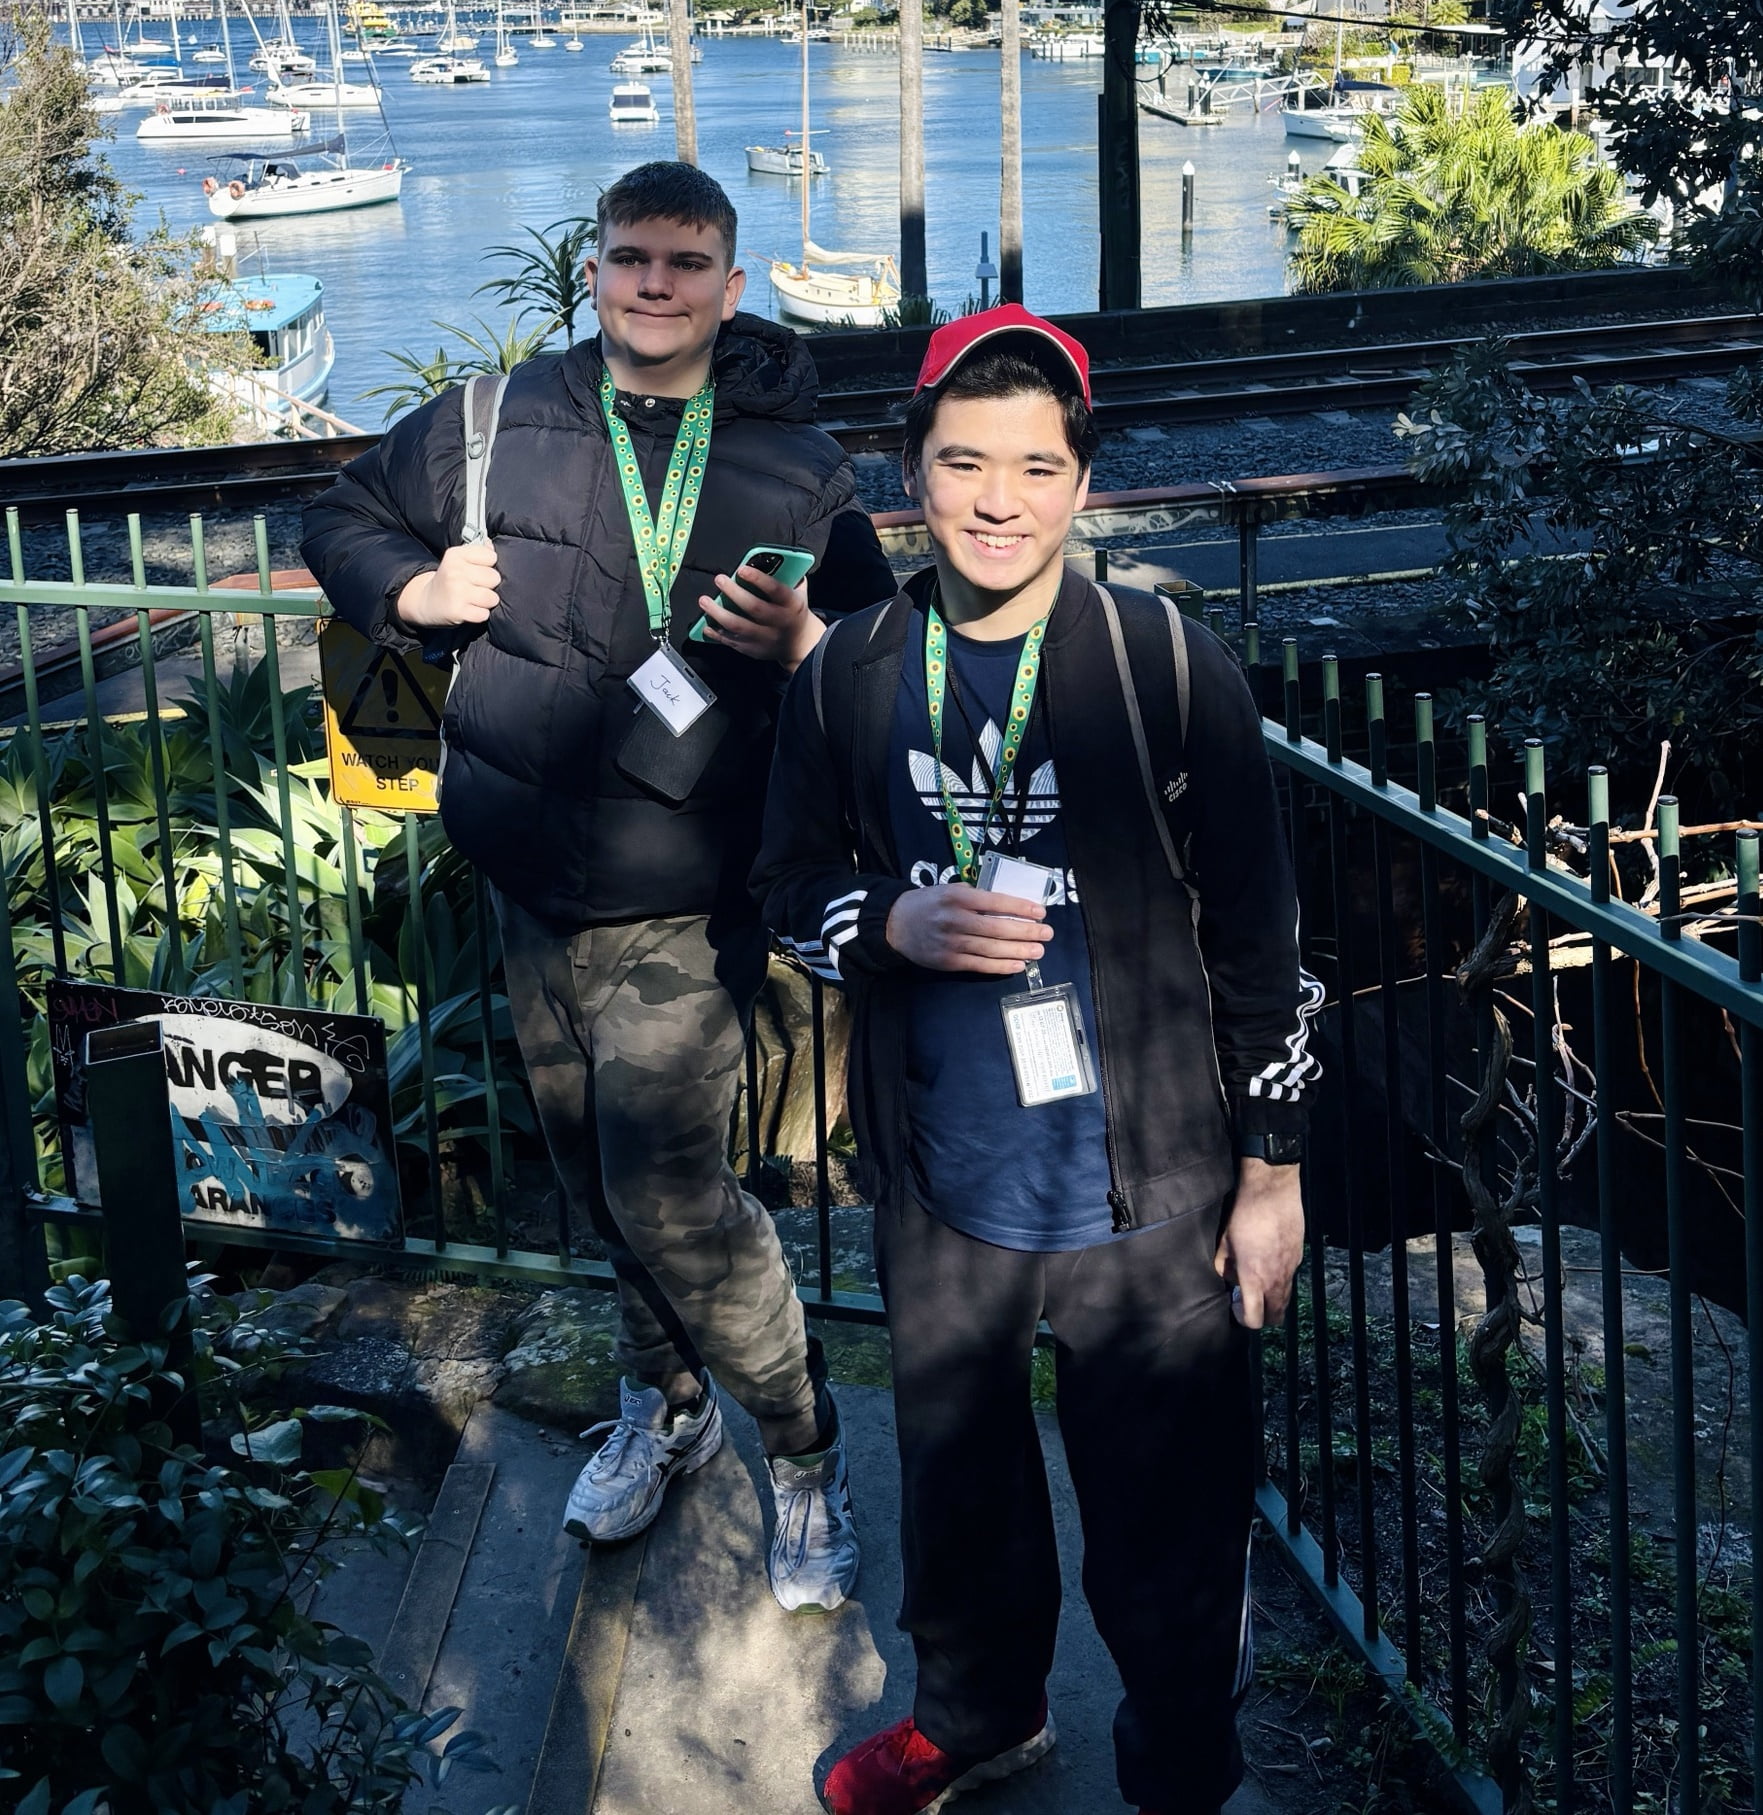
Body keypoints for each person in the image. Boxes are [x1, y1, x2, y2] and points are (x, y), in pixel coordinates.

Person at [302, 160, 898, 1615]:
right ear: (596, 270)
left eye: (685, 264)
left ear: (729, 286)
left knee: (677, 1198)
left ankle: (805, 1455)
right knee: (590, 1186)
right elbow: (340, 515)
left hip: (686, 909)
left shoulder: (795, 467)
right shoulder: (497, 419)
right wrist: (411, 591)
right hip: (526, 888)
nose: (654, 284)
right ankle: (665, 1403)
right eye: (631, 258)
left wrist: (807, 638)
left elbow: (885, 670)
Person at [753, 304, 1323, 1813]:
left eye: (1034, 464)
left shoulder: (1162, 665)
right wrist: (888, 924)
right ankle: (978, 1716)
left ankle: (1182, 1771)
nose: (998, 498)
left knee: (1172, 1522)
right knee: (960, 1488)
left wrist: (1273, 1176)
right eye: (962, 462)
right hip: (946, 1171)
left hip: (1154, 1188)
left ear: (1083, 482)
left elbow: (1263, 940)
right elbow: (784, 889)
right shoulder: (854, 670)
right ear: (911, 474)